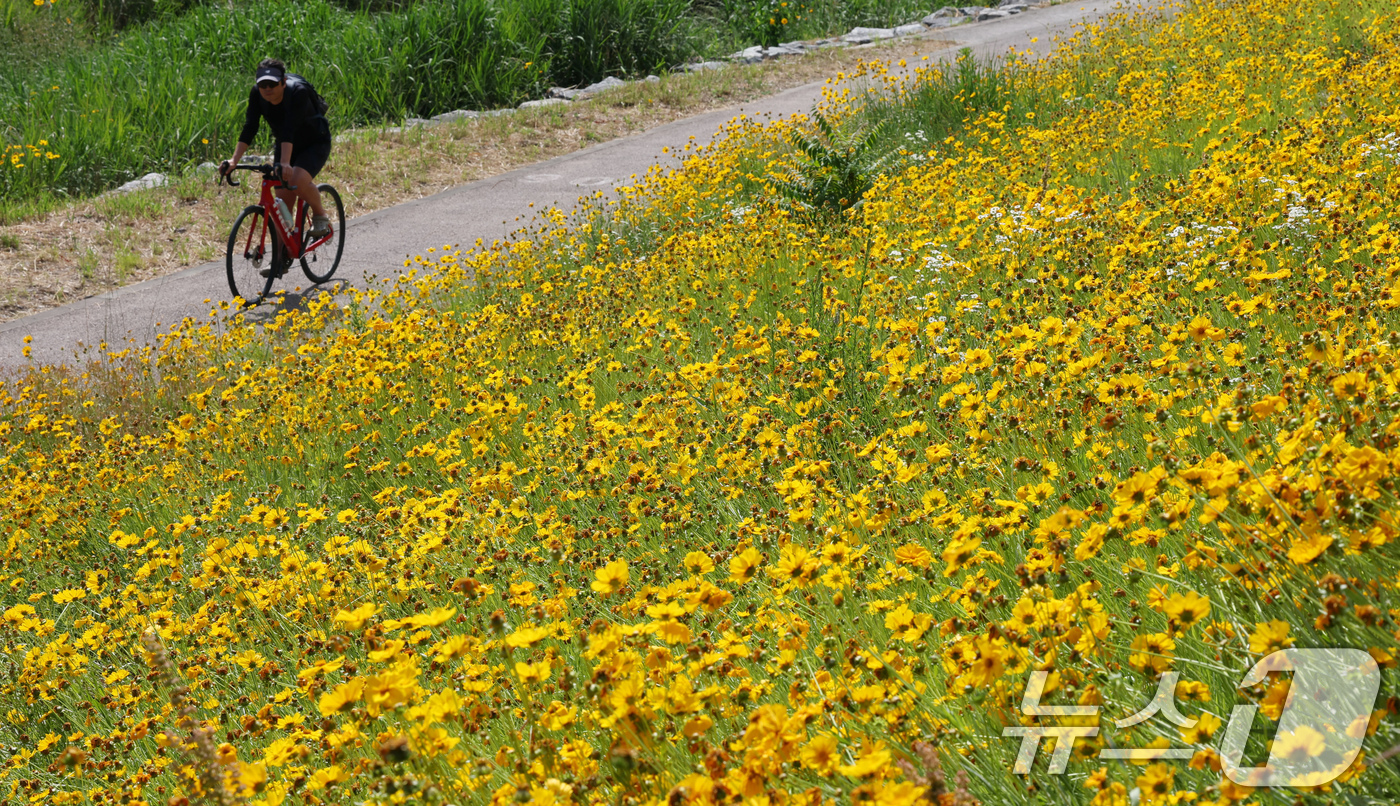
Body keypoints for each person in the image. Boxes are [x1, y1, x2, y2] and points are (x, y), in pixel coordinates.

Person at [220, 58, 333, 253]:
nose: (267, 89)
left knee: (296, 180)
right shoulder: (257, 94)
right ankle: (280, 258)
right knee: (282, 202)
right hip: (285, 143)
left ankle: (320, 215)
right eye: (262, 84)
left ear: (283, 81)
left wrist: (285, 163)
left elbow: (289, 127)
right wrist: (233, 161)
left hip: (314, 142)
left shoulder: (298, 92)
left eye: (272, 84)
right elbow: (250, 127)